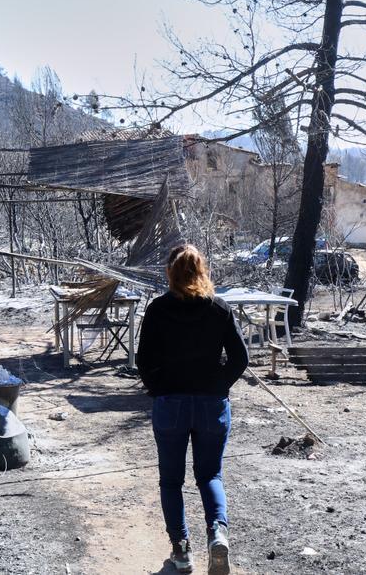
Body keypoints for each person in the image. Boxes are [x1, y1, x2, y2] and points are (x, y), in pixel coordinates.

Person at [136, 244, 249, 574]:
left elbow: (144, 361)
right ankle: (218, 534)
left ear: (170, 272)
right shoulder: (219, 309)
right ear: (202, 271)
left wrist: (159, 389)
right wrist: (218, 385)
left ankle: (182, 552)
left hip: (171, 403)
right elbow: (241, 359)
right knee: (209, 475)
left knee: (171, 481)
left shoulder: (158, 309)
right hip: (211, 405)